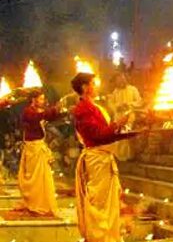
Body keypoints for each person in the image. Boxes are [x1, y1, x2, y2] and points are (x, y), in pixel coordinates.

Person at [71, 73, 140, 242]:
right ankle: (99, 238)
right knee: (100, 205)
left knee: (110, 204)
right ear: (85, 88)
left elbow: (106, 134)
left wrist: (128, 134)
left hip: (103, 157)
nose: (96, 86)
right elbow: (98, 136)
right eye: (94, 83)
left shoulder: (95, 107)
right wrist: (118, 124)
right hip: (96, 160)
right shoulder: (82, 109)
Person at [17, 89, 63, 217]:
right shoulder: (28, 111)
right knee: (34, 179)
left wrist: (60, 110)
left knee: (43, 178)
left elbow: (50, 116)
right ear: (34, 99)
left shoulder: (39, 111)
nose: (43, 101)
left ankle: (43, 203)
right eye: (41, 99)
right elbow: (36, 117)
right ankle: (34, 203)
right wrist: (53, 109)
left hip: (39, 147)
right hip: (33, 148)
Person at [107, 73, 143, 161]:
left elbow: (139, 101)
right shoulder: (115, 92)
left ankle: (129, 156)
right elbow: (111, 104)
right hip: (119, 117)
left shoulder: (133, 89)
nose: (121, 81)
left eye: (122, 79)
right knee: (119, 137)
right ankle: (120, 157)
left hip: (129, 116)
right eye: (118, 80)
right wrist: (117, 107)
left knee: (127, 136)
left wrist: (128, 105)